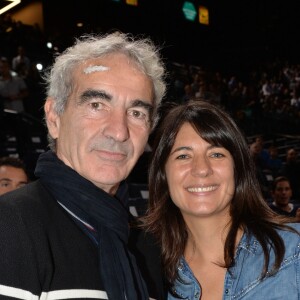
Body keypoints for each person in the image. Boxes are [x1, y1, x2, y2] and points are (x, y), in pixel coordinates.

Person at [0, 32, 167, 300]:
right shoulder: (11, 225)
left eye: (136, 113)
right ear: (54, 117)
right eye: (97, 104)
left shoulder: (146, 244)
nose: (119, 132)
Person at [143, 100, 300, 299]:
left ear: (237, 169)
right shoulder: (146, 274)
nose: (201, 169)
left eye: (216, 154)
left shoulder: (294, 250)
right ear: (163, 174)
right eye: (183, 156)